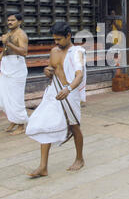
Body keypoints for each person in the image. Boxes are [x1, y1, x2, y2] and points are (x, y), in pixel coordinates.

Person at [25, 22, 86, 178]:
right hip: (54, 92)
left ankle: (80, 158)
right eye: (54, 39)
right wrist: (47, 70)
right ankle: (43, 167)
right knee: (45, 124)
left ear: (68, 36)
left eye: (59, 39)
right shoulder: (54, 51)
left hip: (69, 92)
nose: (57, 42)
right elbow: (51, 69)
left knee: (74, 126)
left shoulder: (77, 52)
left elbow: (79, 75)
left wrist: (69, 89)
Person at [0, 13, 29, 135]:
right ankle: (13, 119)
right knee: (2, 95)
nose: (9, 22)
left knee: (15, 98)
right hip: (6, 67)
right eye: (8, 20)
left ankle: (21, 125)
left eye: (12, 20)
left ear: (19, 22)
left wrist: (8, 43)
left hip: (17, 68)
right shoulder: (9, 34)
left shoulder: (21, 34)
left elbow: (24, 52)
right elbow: (6, 50)